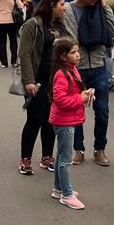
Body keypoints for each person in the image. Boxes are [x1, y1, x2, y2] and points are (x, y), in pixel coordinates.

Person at [60, 0, 114, 166]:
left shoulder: (99, 8)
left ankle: (100, 149)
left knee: (102, 111)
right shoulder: (69, 10)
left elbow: (112, 31)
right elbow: (73, 38)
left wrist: (104, 6)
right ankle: (79, 149)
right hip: (78, 67)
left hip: (100, 65)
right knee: (76, 110)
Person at [17, 0, 69, 175]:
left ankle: (47, 156)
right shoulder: (33, 24)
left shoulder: (60, 25)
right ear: (52, 5)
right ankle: (25, 159)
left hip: (55, 82)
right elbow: (24, 54)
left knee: (50, 120)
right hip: (37, 81)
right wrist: (29, 81)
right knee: (34, 119)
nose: (64, 8)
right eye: (62, 4)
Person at [49, 37, 92, 210]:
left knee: (61, 155)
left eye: (77, 51)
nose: (78, 55)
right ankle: (66, 194)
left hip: (67, 119)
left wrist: (86, 94)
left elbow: (74, 92)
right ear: (63, 56)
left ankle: (59, 189)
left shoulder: (71, 70)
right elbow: (60, 99)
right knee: (66, 159)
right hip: (64, 121)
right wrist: (80, 98)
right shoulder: (61, 74)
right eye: (73, 52)